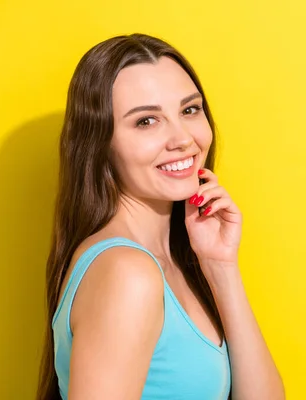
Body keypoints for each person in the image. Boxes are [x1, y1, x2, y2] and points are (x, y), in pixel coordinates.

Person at [36, 33, 285, 400]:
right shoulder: (126, 273)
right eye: (146, 121)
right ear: (100, 143)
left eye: (189, 110)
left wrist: (221, 266)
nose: (183, 138)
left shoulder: (171, 262)